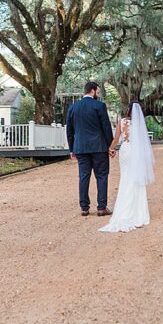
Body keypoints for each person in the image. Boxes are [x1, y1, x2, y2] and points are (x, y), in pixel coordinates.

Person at [100, 101, 154, 233]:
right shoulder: (140, 124)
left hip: (126, 150)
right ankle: (138, 211)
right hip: (136, 151)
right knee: (136, 177)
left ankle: (124, 209)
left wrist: (111, 149)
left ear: (128, 110)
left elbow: (116, 138)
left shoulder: (122, 122)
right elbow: (143, 141)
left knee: (125, 178)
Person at [65, 82, 114, 217]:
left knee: (84, 177)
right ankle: (101, 207)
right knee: (102, 176)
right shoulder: (99, 106)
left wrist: (71, 148)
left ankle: (84, 208)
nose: (98, 94)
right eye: (97, 92)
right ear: (92, 91)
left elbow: (69, 130)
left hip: (80, 148)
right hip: (99, 147)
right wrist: (111, 145)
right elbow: (106, 127)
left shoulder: (73, 107)